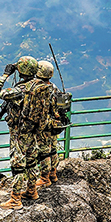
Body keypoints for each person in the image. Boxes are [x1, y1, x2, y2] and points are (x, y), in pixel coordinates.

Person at [0, 56, 39, 210]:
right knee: (31, 161)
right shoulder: (42, 86)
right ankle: (32, 190)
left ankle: (15, 199)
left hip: (19, 131)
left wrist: (5, 74)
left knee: (17, 164)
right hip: (35, 129)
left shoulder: (18, 90)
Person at [33, 60, 71, 189]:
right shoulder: (54, 87)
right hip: (55, 124)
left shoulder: (39, 89)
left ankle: (44, 178)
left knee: (43, 151)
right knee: (53, 149)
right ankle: (53, 174)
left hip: (44, 125)